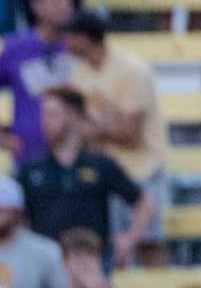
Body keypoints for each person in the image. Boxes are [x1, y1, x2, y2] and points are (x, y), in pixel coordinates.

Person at [61, 12, 166, 258]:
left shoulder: (132, 70)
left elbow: (132, 134)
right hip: (109, 170)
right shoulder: (80, 74)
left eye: (72, 36)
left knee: (147, 243)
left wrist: (94, 131)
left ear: (86, 39)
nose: (66, 41)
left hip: (143, 168)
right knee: (114, 246)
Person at [16, 87, 151, 268]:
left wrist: (129, 238)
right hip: (45, 265)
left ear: (72, 115)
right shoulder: (30, 168)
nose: (44, 122)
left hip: (93, 262)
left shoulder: (101, 164)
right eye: (44, 115)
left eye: (52, 114)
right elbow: (13, 215)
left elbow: (144, 202)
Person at [0, 0, 74, 160]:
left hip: (73, 157)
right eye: (55, 0)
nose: (63, 6)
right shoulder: (15, 47)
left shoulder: (80, 45)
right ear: (36, 5)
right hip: (28, 158)